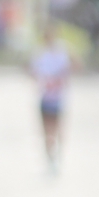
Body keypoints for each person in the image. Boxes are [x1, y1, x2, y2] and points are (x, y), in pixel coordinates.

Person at [31, 23, 72, 174]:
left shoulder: (61, 53)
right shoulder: (41, 54)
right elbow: (33, 73)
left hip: (57, 99)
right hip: (46, 98)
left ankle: (55, 156)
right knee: (47, 131)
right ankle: (51, 157)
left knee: (56, 130)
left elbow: (74, 67)